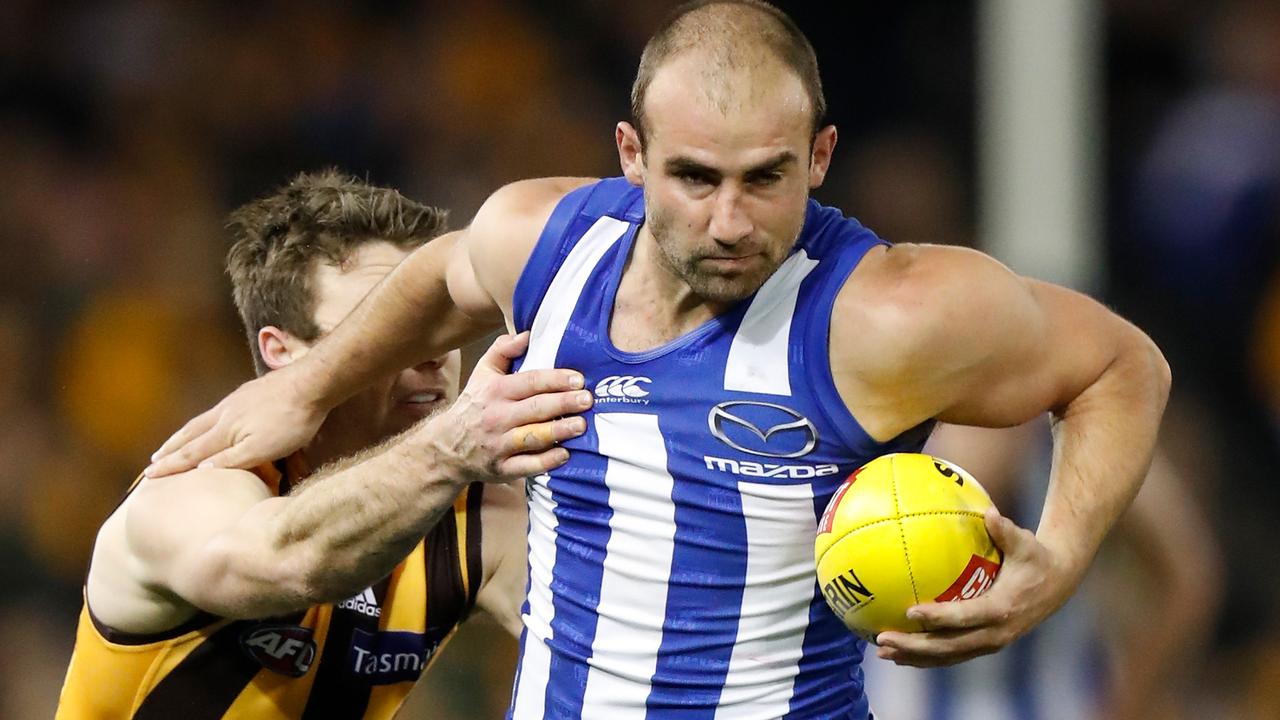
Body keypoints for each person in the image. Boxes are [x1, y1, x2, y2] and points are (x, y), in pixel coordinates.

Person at [147, 2, 1171, 717]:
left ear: (818, 155)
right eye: (692, 178)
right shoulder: (536, 242)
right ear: (631, 155)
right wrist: (307, 390)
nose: (728, 220)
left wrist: (1060, 562)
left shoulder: (889, 313)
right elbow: (441, 277)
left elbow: (1121, 367)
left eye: (765, 178)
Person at [57, 171, 590, 718]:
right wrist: (447, 449)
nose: (433, 355)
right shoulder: (191, 486)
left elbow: (623, 637)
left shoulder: (474, 517)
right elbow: (289, 559)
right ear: (282, 353)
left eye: (436, 329)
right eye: (387, 329)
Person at [860, 423, 1220, 720]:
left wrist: (1127, 708)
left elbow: (1187, 573)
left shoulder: (1080, 427)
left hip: (1058, 703)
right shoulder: (875, 415)